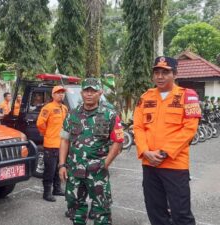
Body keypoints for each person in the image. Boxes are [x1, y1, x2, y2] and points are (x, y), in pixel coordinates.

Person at [133, 56, 200, 225]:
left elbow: (189, 129)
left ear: (175, 74)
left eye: (165, 72)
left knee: (181, 214)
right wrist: (145, 151)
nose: (160, 76)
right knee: (155, 211)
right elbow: (138, 127)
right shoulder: (145, 97)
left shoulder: (187, 96)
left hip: (175, 165)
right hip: (149, 164)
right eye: (156, 72)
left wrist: (164, 153)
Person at [58, 78, 124, 225]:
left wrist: (105, 163)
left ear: (100, 92)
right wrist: (62, 165)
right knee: (75, 209)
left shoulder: (109, 115)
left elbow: (118, 142)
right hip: (74, 170)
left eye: (93, 91)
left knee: (102, 211)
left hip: (97, 171)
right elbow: (64, 140)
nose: (89, 94)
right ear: (81, 93)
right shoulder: (72, 114)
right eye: (86, 90)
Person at [37, 86, 68, 202]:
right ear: (53, 95)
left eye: (62, 93)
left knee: (58, 168)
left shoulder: (64, 108)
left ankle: (57, 189)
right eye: (58, 93)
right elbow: (40, 123)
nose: (61, 95)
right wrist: (47, 133)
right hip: (51, 144)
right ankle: (47, 193)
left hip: (62, 145)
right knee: (49, 169)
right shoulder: (47, 108)